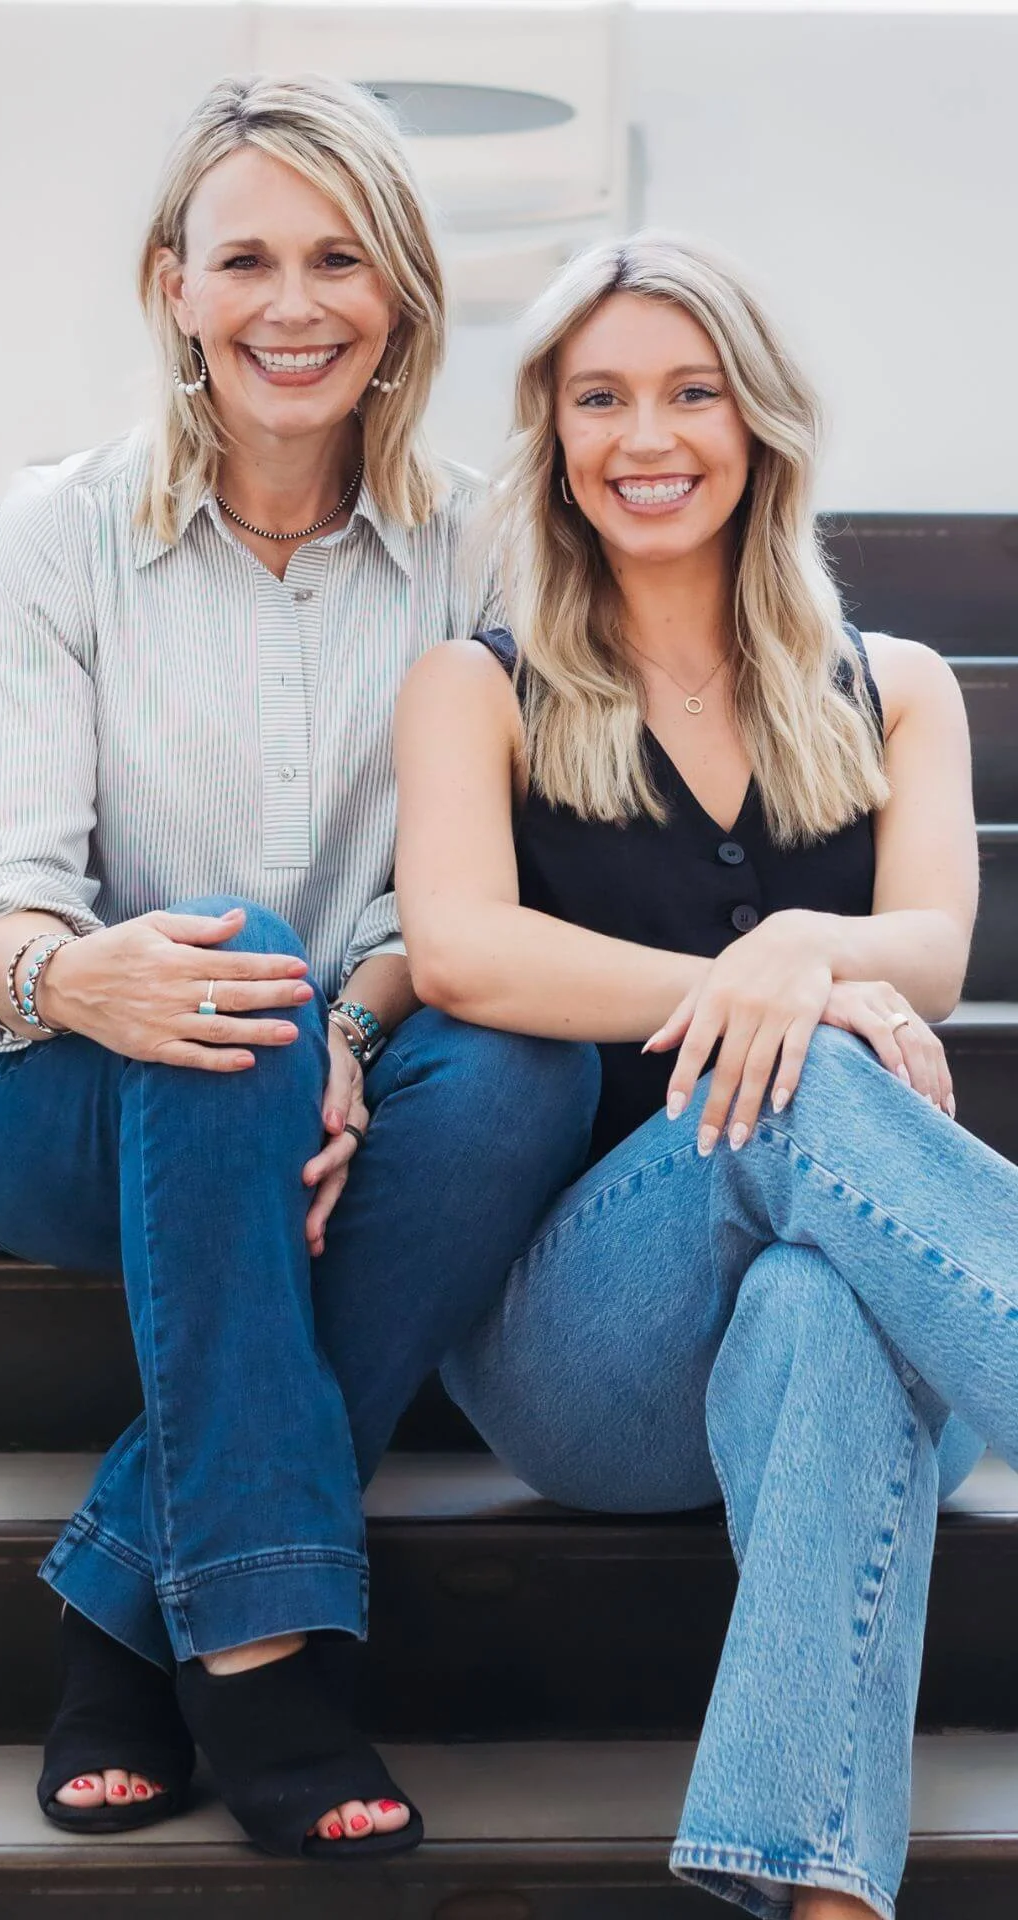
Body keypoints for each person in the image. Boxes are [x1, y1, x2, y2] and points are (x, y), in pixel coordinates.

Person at [0, 73, 596, 1857]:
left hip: (337, 1070)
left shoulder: (481, 546)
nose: (292, 305)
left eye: (338, 259)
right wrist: (89, 979)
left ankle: (123, 1605)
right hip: (50, 1090)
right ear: (174, 285)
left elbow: (459, 897)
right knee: (233, 976)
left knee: (526, 1065)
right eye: (244, 260)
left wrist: (345, 1034)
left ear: (399, 293)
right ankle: (264, 1660)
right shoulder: (62, 528)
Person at [393, 232, 1017, 1920]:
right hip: (586, 1345)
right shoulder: (477, 687)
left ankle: (816, 1896)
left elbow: (934, 950)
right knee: (791, 1067)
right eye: (600, 398)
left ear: (760, 422)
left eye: (692, 391)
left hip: (877, 1321)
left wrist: (802, 951)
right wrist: (774, 984)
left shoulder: (896, 689)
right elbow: (459, 952)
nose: (647, 436)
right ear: (553, 435)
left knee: (824, 1305)